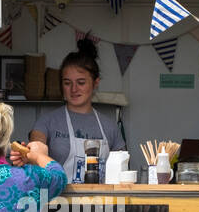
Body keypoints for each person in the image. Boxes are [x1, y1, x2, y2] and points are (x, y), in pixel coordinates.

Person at [23, 39, 126, 181]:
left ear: (96, 83)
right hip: (58, 201)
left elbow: (124, 172)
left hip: (103, 202)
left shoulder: (110, 127)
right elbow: (37, 145)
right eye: (67, 83)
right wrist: (29, 152)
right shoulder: (47, 121)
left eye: (81, 82)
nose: (74, 89)